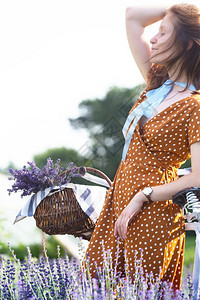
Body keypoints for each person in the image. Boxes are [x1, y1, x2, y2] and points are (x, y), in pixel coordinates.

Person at [86, 3, 200, 290]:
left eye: (163, 33)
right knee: (95, 287)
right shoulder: (157, 80)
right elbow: (133, 16)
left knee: (141, 291)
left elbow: (198, 176)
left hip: (154, 209)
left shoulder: (196, 106)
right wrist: (178, 12)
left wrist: (143, 196)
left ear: (186, 45)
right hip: (119, 197)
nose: (153, 38)